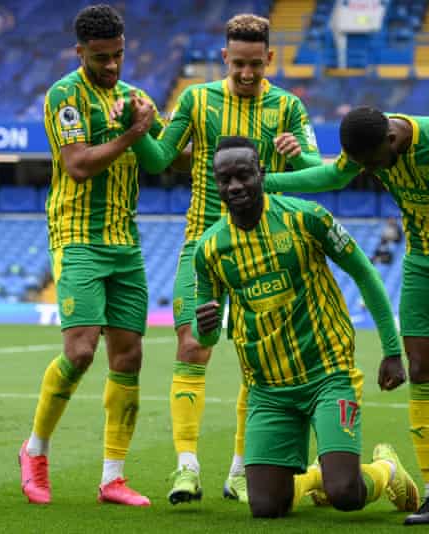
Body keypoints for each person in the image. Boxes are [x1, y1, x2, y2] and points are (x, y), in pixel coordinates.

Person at [262, 106, 429, 527]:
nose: (369, 171)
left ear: (392, 141)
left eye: (373, 163)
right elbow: (330, 176)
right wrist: (265, 183)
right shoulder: (368, 145)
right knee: (420, 372)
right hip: (421, 262)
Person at [130, 14, 323, 504]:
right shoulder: (196, 100)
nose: (246, 74)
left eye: (255, 65)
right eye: (238, 63)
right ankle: (186, 468)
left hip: (263, 253)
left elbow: (319, 173)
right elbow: (157, 160)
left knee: (259, 362)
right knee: (193, 347)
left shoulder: (288, 108)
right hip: (202, 246)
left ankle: (239, 470)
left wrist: (298, 155)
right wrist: (141, 128)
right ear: (223, 58)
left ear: (269, 60)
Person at [193, 136, 418, 518]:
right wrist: (205, 327)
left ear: (261, 173)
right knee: (266, 507)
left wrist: (392, 350)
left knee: (346, 492)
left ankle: (388, 470)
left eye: (243, 175)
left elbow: (365, 273)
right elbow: (208, 335)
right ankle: (317, 476)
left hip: (327, 375)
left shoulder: (306, 218)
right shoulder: (210, 248)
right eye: (224, 179)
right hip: (267, 390)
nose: (234, 187)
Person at [17, 4, 165, 507]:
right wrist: (132, 135)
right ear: (79, 51)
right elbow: (78, 165)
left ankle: (113, 478)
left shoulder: (136, 98)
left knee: (129, 355)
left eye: (118, 55)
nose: (112, 66)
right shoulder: (65, 95)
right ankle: (34, 451)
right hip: (77, 234)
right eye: (101, 57)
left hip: (126, 241)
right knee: (80, 351)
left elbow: (167, 155)